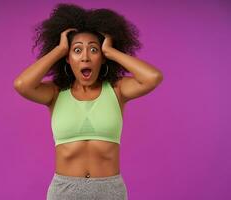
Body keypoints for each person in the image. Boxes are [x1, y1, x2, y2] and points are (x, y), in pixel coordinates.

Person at [13, 3, 163, 200]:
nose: (85, 57)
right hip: (64, 191)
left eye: (93, 50)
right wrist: (60, 49)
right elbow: (22, 84)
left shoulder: (117, 90)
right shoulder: (56, 93)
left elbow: (153, 77)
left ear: (102, 57)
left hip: (109, 190)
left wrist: (111, 51)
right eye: (76, 50)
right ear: (68, 58)